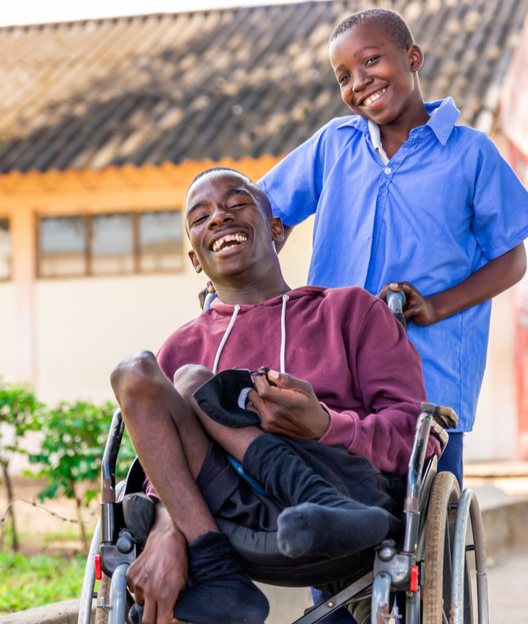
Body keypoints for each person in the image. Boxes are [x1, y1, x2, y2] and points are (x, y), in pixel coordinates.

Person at [111, 167, 438, 624]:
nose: (219, 218)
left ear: (276, 229)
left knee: (191, 384)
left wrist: (325, 424)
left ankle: (312, 503)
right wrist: (168, 528)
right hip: (224, 515)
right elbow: (161, 463)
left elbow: (415, 437)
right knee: (144, 374)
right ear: (194, 259)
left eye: (236, 203)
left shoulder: (350, 312)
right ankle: (215, 569)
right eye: (201, 216)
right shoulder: (182, 345)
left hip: (343, 496)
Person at [257, 8, 528, 486]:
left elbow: (511, 259)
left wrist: (435, 305)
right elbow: (265, 212)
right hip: (335, 367)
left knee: (427, 500)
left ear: (412, 57)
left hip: (428, 370)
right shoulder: (334, 145)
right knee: (334, 492)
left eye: (371, 60)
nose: (359, 81)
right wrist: (261, 268)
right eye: (344, 75)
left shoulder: (470, 153)